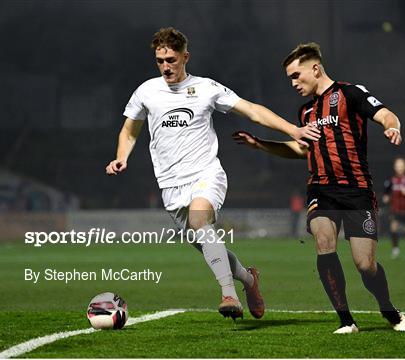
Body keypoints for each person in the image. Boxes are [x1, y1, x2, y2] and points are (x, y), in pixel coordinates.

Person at [105, 28, 320, 320]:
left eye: (171, 59)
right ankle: (249, 279)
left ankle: (228, 294)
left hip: (206, 174)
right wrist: (121, 157)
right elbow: (130, 130)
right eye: (159, 61)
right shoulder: (146, 91)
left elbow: (252, 111)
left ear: (185, 56)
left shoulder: (206, 88)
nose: (165, 66)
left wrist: (293, 130)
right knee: (207, 244)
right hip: (170, 185)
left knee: (199, 221)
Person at [233, 42, 405, 333]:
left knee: (365, 265)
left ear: (315, 68)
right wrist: (260, 144)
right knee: (324, 243)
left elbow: (385, 114)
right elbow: (301, 150)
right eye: (289, 78)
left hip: (357, 190)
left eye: (296, 75)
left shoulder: (349, 93)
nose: (293, 82)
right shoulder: (305, 112)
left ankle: (388, 309)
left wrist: (393, 127)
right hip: (321, 190)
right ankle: (346, 320)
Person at [383, 157, 405, 261]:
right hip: (395, 210)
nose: (399, 167)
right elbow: (386, 193)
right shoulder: (391, 180)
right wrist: (386, 197)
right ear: (395, 167)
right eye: (398, 165)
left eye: (401, 165)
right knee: (394, 228)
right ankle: (395, 250)